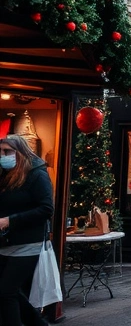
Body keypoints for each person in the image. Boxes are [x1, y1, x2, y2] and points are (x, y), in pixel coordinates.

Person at [0, 135, 53, 326]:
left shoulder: (36, 175)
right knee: (10, 291)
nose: (3, 156)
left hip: (28, 243)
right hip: (6, 242)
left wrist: (10, 221)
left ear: (21, 153)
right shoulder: (5, 175)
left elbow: (46, 209)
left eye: (7, 151)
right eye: (0, 152)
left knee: (6, 292)